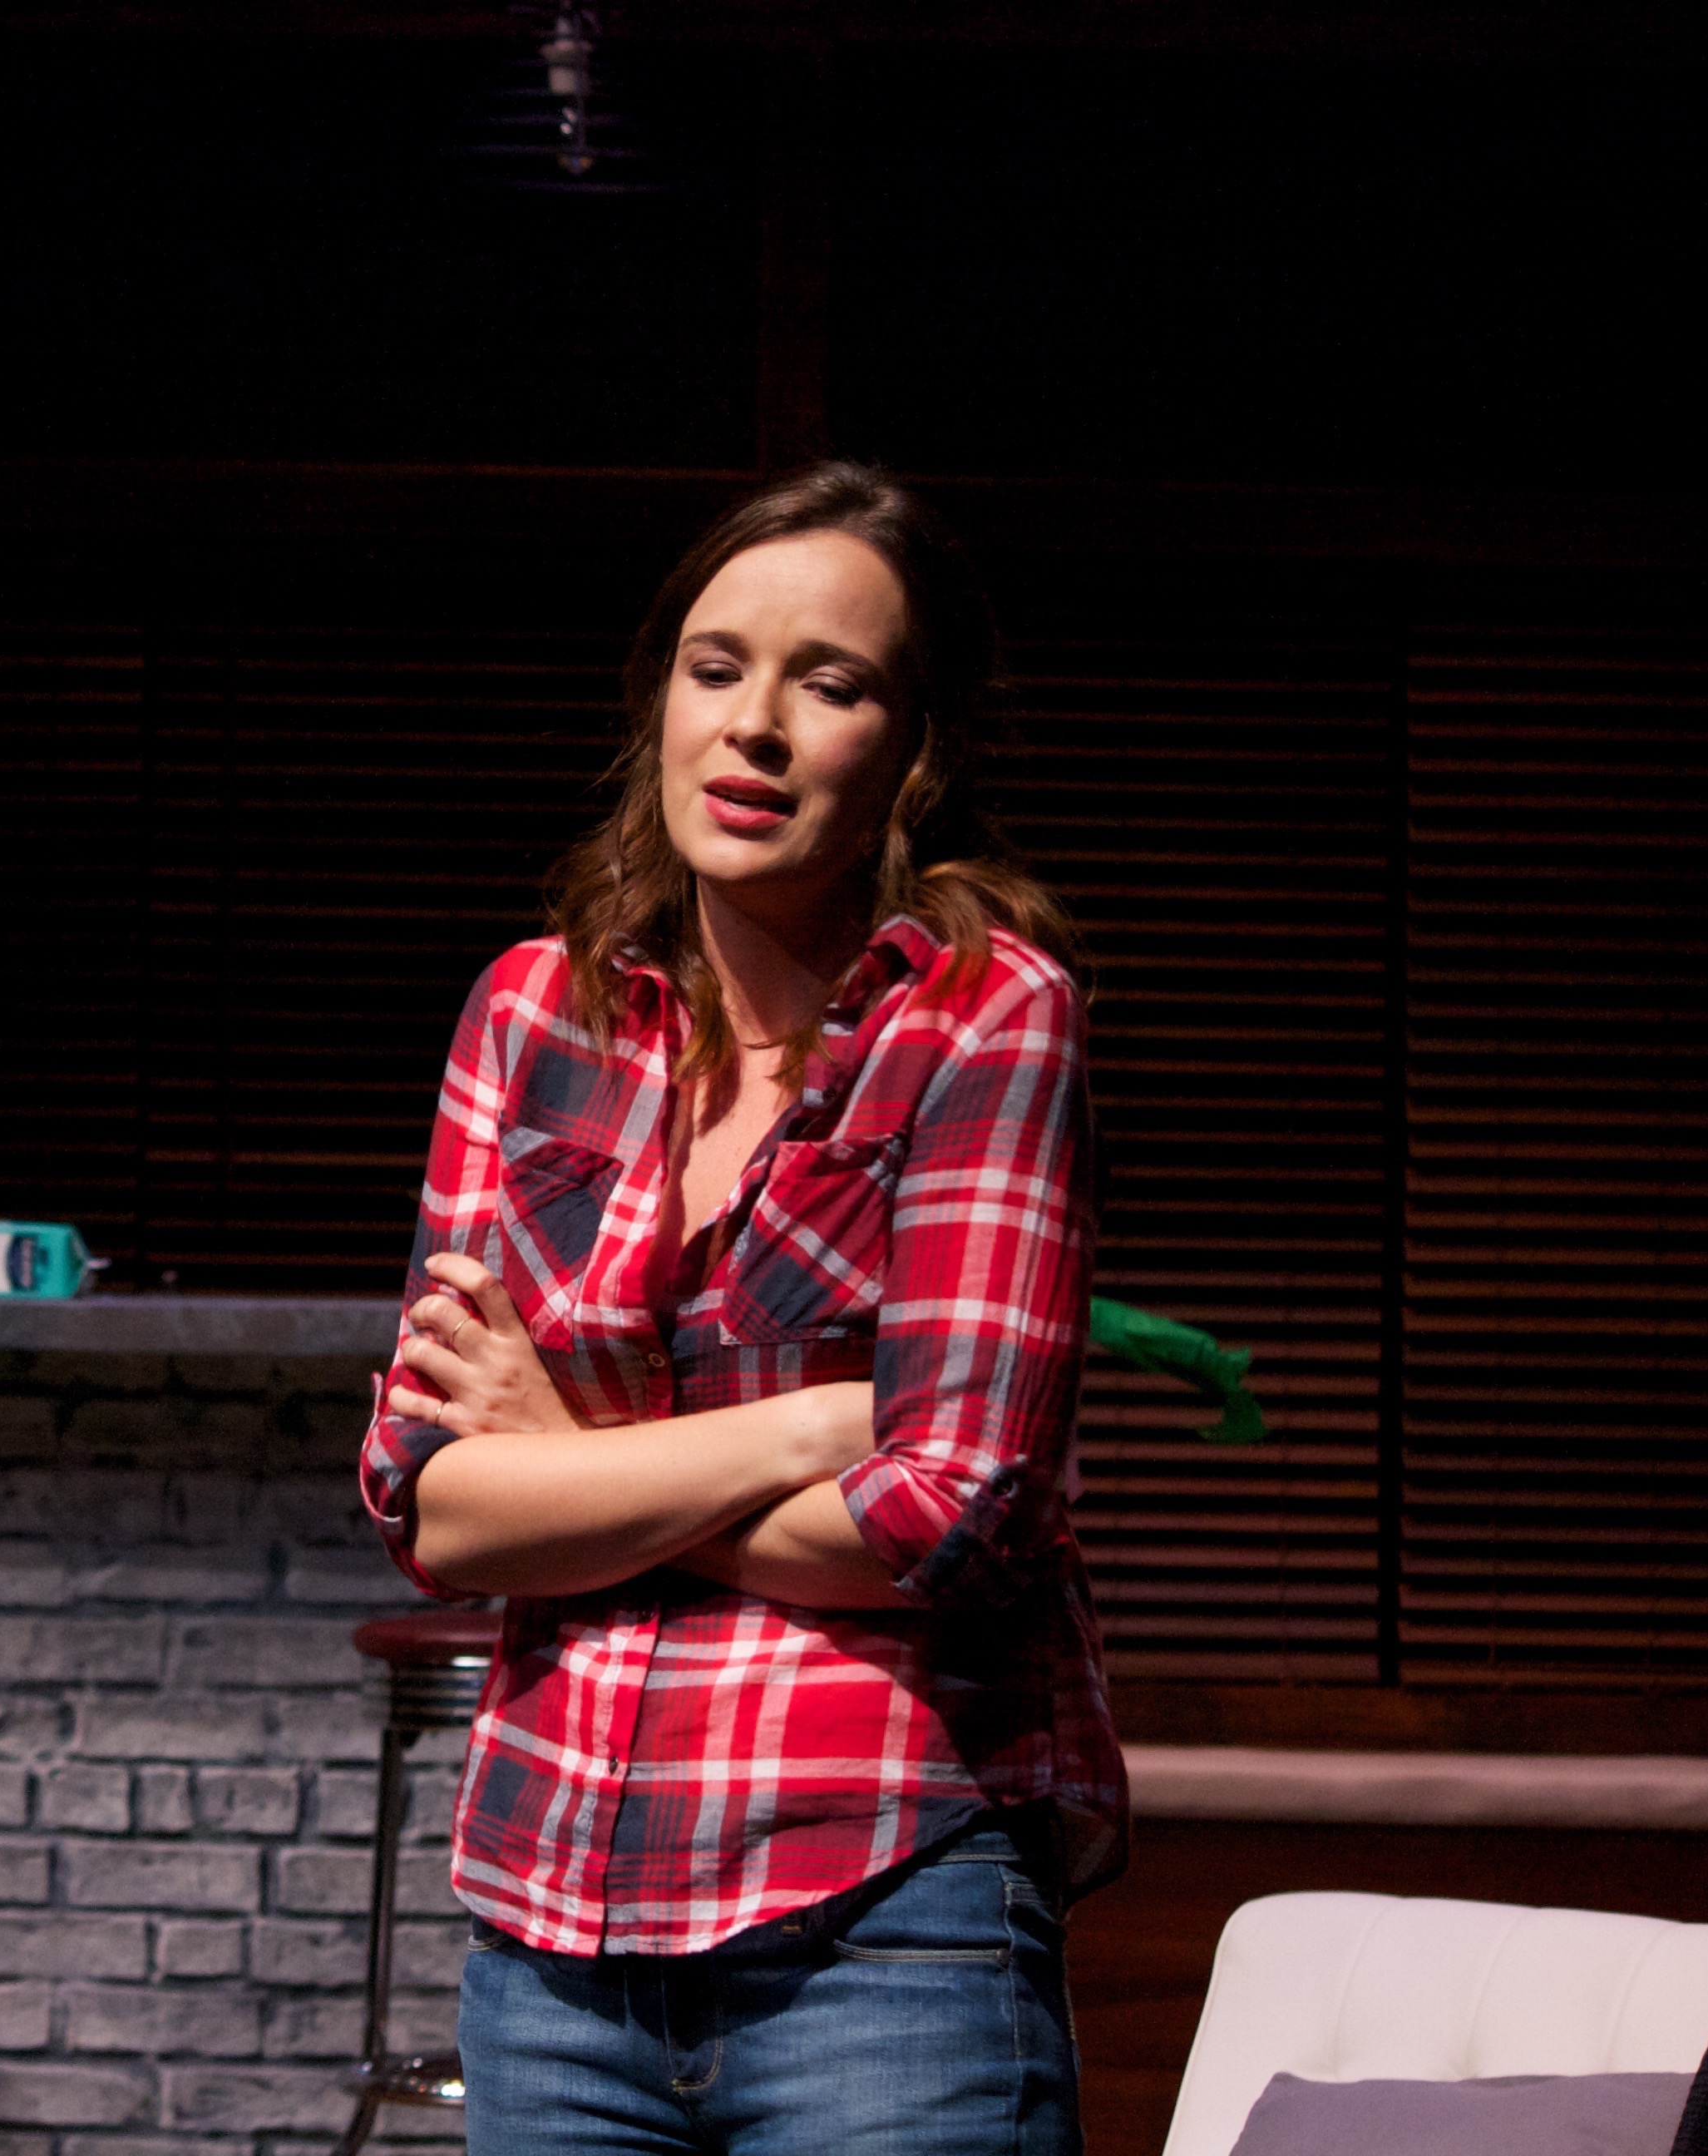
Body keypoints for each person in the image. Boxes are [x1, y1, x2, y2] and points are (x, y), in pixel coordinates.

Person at [358, 465, 1123, 2155]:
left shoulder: (985, 1016)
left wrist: (575, 1463)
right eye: (717, 668)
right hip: (551, 1945)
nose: (755, 725)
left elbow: (950, 1522)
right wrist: (806, 1429)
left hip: (885, 1923)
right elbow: (434, 1507)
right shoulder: (533, 1014)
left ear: (915, 748)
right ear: (661, 703)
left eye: (828, 683)